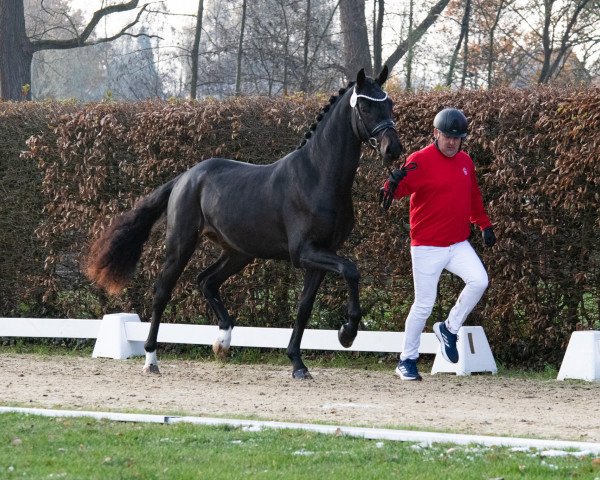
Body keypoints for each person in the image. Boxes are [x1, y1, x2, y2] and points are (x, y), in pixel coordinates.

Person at [380, 107, 496, 381]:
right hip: (427, 246)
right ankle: (406, 360)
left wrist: (484, 224)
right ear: (436, 133)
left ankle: (449, 328)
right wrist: (391, 184)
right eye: (447, 136)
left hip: (457, 244)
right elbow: (393, 193)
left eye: (458, 137)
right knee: (423, 305)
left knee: (479, 280)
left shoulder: (466, 161)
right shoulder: (420, 160)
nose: (452, 142)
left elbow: (473, 197)